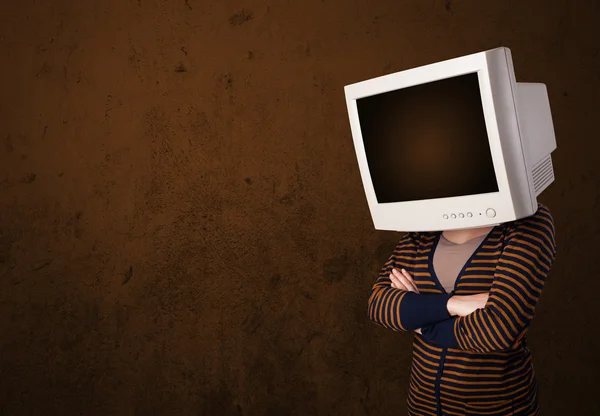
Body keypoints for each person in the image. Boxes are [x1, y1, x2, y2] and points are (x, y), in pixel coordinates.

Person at [368, 203, 556, 416]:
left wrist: (422, 321)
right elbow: (378, 305)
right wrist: (454, 304)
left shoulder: (529, 221)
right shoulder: (422, 232)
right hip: (423, 405)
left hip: (497, 407)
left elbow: (500, 329)